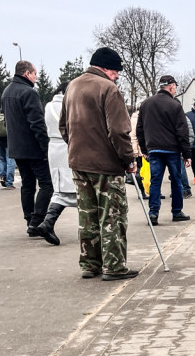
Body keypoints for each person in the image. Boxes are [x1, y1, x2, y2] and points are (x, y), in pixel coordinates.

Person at [59, 46, 138, 281]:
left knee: (87, 215)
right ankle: (114, 267)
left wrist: (77, 147)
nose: (118, 75)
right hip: (106, 165)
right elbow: (119, 131)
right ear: (105, 68)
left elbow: (63, 127)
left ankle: (90, 263)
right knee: (112, 216)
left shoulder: (72, 86)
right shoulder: (108, 88)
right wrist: (128, 159)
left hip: (78, 163)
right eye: (116, 71)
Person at [2, 61, 53, 239]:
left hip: (17, 147)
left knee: (28, 184)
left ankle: (29, 219)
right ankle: (37, 221)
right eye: (34, 74)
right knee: (47, 184)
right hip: (33, 147)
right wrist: (46, 147)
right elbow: (37, 123)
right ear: (27, 73)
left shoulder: (7, 91)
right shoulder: (29, 92)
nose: (36, 77)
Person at [137, 75, 191, 225]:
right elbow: (182, 131)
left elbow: (139, 129)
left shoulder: (146, 104)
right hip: (172, 150)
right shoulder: (175, 105)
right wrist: (187, 154)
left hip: (153, 149)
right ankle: (177, 211)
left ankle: (153, 213)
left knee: (155, 181)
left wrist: (144, 149)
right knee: (176, 181)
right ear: (172, 86)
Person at [36, 82, 76, 246]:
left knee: (61, 188)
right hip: (68, 146)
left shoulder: (49, 106)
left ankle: (48, 223)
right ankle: (89, 230)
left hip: (54, 147)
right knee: (78, 186)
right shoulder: (69, 105)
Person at [0, 108, 15, 189]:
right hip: (10, 141)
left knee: (2, 160)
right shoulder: (11, 112)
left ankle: (2, 177)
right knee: (10, 160)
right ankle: (9, 182)